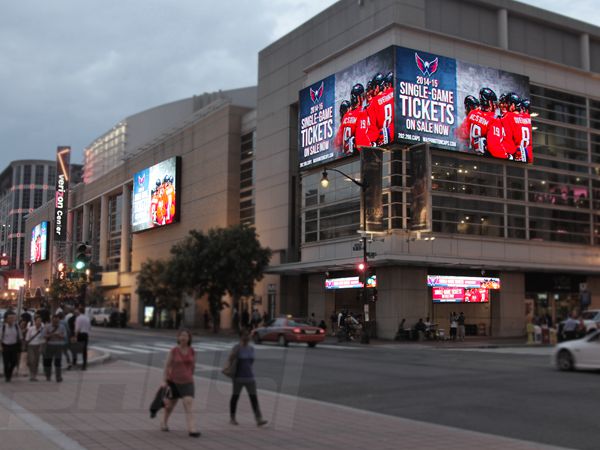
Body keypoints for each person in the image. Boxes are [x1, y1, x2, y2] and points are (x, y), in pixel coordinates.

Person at [160, 329, 200, 437]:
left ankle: (192, 428)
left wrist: (190, 376)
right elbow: (167, 366)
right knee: (170, 406)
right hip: (174, 382)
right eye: (181, 336)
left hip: (188, 382)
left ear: (189, 338)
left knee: (188, 403)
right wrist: (164, 380)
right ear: (178, 338)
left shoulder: (192, 351)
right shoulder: (173, 351)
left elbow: (193, 366)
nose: (183, 338)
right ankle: (164, 422)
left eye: (186, 336)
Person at [227, 329, 267, 427]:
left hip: (250, 377)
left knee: (253, 398)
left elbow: (251, 362)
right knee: (235, 397)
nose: (247, 337)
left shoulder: (251, 348)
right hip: (238, 378)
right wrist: (235, 352)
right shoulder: (236, 347)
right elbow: (230, 359)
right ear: (240, 337)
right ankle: (232, 418)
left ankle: (259, 419)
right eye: (244, 335)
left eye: (248, 335)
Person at [43, 314, 66, 382]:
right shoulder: (47, 326)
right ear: (52, 320)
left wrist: (59, 335)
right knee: (48, 361)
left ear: (59, 320)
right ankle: (48, 376)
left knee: (58, 362)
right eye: (54, 320)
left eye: (57, 320)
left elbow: (64, 336)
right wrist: (51, 335)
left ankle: (58, 377)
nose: (56, 321)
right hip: (49, 345)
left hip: (58, 345)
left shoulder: (62, 327)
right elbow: (44, 336)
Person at [1, 310, 22, 382]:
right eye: (10, 318)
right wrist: (1, 346)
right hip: (5, 346)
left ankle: (9, 373)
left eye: (13, 318)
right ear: (6, 319)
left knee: (14, 361)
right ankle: (7, 376)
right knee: (6, 362)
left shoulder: (16, 326)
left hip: (14, 346)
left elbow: (20, 337)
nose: (12, 319)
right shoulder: (3, 327)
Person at [25, 315, 45, 381]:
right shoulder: (31, 329)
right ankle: (31, 374)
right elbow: (27, 338)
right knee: (31, 360)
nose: (39, 322)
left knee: (36, 361)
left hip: (38, 346)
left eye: (40, 321)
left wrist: (41, 347)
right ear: (35, 321)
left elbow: (43, 339)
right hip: (31, 346)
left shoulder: (42, 329)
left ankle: (34, 375)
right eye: (37, 320)